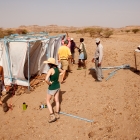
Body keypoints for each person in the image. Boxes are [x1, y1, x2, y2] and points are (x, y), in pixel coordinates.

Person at [44, 58, 60, 123]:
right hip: (57, 86)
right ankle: (57, 113)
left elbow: (46, 79)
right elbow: (63, 71)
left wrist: (49, 83)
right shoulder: (57, 69)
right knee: (57, 100)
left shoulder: (50, 70)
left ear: (50, 64)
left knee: (47, 101)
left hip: (52, 87)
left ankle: (52, 115)